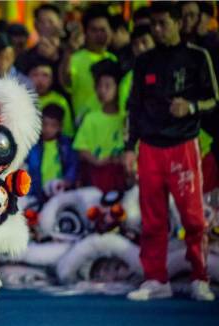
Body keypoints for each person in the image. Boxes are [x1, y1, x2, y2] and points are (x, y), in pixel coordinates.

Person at [123, 2, 219, 301]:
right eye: (154, 24)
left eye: (163, 23)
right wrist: (129, 148)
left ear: (178, 23)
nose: (157, 29)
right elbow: (134, 107)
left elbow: (214, 99)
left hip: (183, 146)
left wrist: (190, 106)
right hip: (149, 147)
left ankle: (199, 278)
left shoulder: (197, 56)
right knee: (152, 218)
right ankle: (155, 279)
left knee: (193, 217)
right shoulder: (144, 61)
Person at [73, 59, 127, 193]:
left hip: (121, 175)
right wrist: (97, 161)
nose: (102, 90)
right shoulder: (91, 117)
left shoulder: (125, 119)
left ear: (118, 87)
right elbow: (81, 148)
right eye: (99, 86)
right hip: (97, 175)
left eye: (108, 86)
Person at [60, 5, 116, 123]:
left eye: (103, 29)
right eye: (94, 30)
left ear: (111, 31)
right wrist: (68, 53)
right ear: (85, 32)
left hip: (110, 126)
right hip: (84, 127)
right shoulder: (74, 58)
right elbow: (66, 82)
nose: (99, 34)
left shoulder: (114, 60)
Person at [27, 104, 78, 201]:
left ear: (60, 127)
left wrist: (66, 182)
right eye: (45, 124)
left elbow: (72, 167)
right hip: (35, 194)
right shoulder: (32, 145)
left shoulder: (66, 145)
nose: (48, 129)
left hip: (59, 193)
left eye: (53, 125)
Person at [15, 4, 64, 92]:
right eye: (42, 22)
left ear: (60, 23)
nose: (46, 25)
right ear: (35, 25)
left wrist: (55, 58)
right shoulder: (25, 57)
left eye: (51, 21)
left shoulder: (68, 52)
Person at [27, 56, 75, 137]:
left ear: (52, 79)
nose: (40, 80)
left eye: (45, 75)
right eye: (35, 74)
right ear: (27, 77)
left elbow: (67, 133)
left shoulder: (60, 101)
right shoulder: (21, 99)